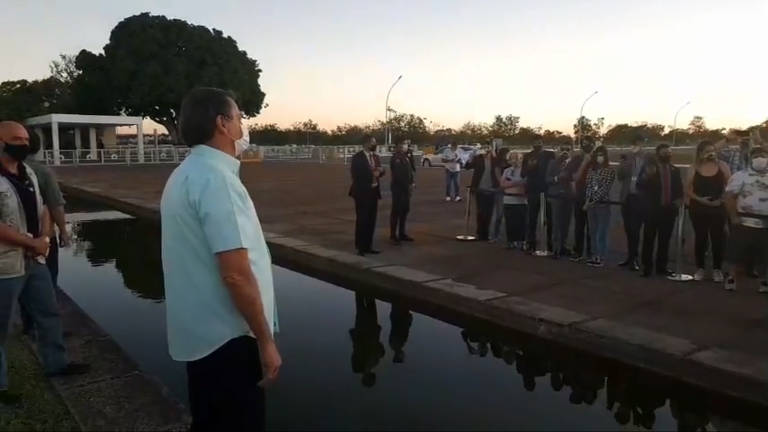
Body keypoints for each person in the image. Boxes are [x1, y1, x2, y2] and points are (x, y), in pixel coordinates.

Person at [160, 88, 280, 430]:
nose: (243, 127)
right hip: (230, 341)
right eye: (239, 117)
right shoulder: (217, 180)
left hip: (202, 336)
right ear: (222, 124)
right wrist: (266, 342)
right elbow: (236, 275)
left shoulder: (186, 173)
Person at [0, 121, 89, 405]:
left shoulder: (29, 174)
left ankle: (56, 364)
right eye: (16, 139)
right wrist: (31, 243)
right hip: (6, 264)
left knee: (48, 313)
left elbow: (44, 207)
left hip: (34, 259)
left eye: (26, 139)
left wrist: (46, 236)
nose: (23, 144)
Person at [19, 129, 72, 337]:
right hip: (42, 238)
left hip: (17, 239)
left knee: (23, 283)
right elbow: (55, 204)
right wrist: (64, 232)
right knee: (47, 283)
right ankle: (49, 329)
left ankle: (28, 325)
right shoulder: (41, 171)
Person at [722, 147, 768, 292]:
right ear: (750, 158)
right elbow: (729, 197)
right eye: (756, 155)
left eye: (763, 155)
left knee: (764, 253)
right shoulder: (740, 176)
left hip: (765, 221)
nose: (760, 158)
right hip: (743, 220)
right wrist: (734, 216)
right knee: (737, 253)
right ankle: (731, 278)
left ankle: (763, 281)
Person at [685, 141, 731, 282]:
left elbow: (730, 186)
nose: (710, 153)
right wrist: (701, 200)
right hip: (699, 207)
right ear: (700, 153)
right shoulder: (694, 168)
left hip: (718, 207)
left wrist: (722, 200)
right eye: (707, 151)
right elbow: (687, 189)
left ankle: (717, 269)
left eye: (712, 150)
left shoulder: (722, 166)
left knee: (718, 238)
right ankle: (700, 268)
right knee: (701, 238)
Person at [637, 144, 683, 277]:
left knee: (665, 240)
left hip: (669, 211)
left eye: (669, 152)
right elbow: (639, 185)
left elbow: (679, 189)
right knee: (648, 239)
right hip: (652, 210)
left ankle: (661, 267)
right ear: (658, 154)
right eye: (664, 153)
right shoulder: (649, 169)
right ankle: (647, 267)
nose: (667, 155)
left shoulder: (675, 170)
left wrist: (678, 201)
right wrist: (647, 176)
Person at [349, 135, 384, 256]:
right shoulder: (357, 157)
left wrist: (380, 171)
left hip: (374, 192)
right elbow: (356, 175)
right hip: (362, 193)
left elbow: (381, 170)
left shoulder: (375, 156)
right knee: (362, 220)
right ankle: (360, 247)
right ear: (366, 143)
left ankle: (369, 246)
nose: (375, 144)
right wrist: (372, 174)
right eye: (373, 142)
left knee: (371, 220)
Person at [582, 146, 616, 267]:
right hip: (590, 205)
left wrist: (592, 201)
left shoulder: (610, 171)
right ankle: (594, 255)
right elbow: (589, 186)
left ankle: (602, 256)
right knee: (593, 231)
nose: (599, 157)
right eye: (597, 155)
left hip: (602, 204)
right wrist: (587, 200)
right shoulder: (592, 170)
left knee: (602, 232)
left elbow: (604, 188)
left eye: (602, 155)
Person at [616, 135, 647, 271]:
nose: (637, 146)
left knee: (635, 229)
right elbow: (620, 176)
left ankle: (635, 258)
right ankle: (630, 257)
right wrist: (626, 161)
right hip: (626, 197)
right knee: (628, 229)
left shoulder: (647, 159)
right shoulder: (627, 158)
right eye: (635, 144)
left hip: (639, 198)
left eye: (640, 143)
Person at [522, 139, 555, 251]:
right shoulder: (527, 156)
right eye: (535, 142)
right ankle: (530, 243)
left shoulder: (550, 155)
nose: (538, 144)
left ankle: (551, 244)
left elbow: (554, 169)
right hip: (533, 191)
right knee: (531, 219)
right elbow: (523, 173)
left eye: (540, 142)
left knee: (550, 219)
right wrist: (529, 167)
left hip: (548, 191)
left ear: (543, 143)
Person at [568, 138, 595, 262]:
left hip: (593, 196)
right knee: (579, 225)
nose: (587, 146)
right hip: (580, 195)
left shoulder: (597, 159)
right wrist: (584, 162)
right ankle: (578, 251)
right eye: (584, 144)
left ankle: (592, 253)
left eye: (589, 144)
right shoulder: (577, 159)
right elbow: (575, 177)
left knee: (592, 226)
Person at [349, 293, 385, 387]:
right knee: (366, 305)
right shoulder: (373, 362)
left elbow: (358, 349)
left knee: (363, 305)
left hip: (365, 331)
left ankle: (362, 287)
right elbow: (379, 348)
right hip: (368, 331)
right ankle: (363, 288)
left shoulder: (359, 366)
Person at [546, 144, 574, 258]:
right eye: (562, 149)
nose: (565, 152)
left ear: (571, 151)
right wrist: (557, 178)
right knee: (556, 222)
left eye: (567, 149)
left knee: (566, 223)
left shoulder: (573, 164)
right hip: (556, 196)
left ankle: (564, 246)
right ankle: (556, 248)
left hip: (568, 196)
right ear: (558, 150)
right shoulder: (553, 163)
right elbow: (547, 178)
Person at [468, 145, 499, 241]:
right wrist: (471, 157)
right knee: (481, 212)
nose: (486, 151)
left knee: (489, 213)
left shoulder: (495, 160)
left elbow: (503, 165)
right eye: (485, 149)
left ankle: (486, 233)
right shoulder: (478, 159)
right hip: (480, 189)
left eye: (488, 149)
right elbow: (468, 166)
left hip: (492, 189)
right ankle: (480, 233)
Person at [389, 139, 414, 245]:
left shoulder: (406, 157)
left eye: (406, 144)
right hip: (399, 189)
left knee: (404, 211)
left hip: (406, 188)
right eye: (404, 144)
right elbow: (399, 176)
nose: (406, 146)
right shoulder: (396, 158)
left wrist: (412, 182)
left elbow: (410, 171)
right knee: (396, 211)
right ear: (398, 146)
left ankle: (402, 233)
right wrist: (407, 186)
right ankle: (393, 235)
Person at [500, 151, 527, 249]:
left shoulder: (524, 171)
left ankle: (522, 241)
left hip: (521, 200)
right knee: (510, 222)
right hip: (508, 199)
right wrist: (517, 182)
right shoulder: (507, 170)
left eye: (517, 158)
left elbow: (525, 183)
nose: (514, 160)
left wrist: (511, 182)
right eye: (512, 158)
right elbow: (502, 184)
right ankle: (511, 241)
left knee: (522, 222)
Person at [489, 147, 510, 243]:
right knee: (499, 214)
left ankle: (501, 235)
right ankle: (495, 235)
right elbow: (497, 175)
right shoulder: (498, 163)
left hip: (507, 189)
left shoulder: (508, 163)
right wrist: (502, 185)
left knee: (504, 214)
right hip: (500, 189)